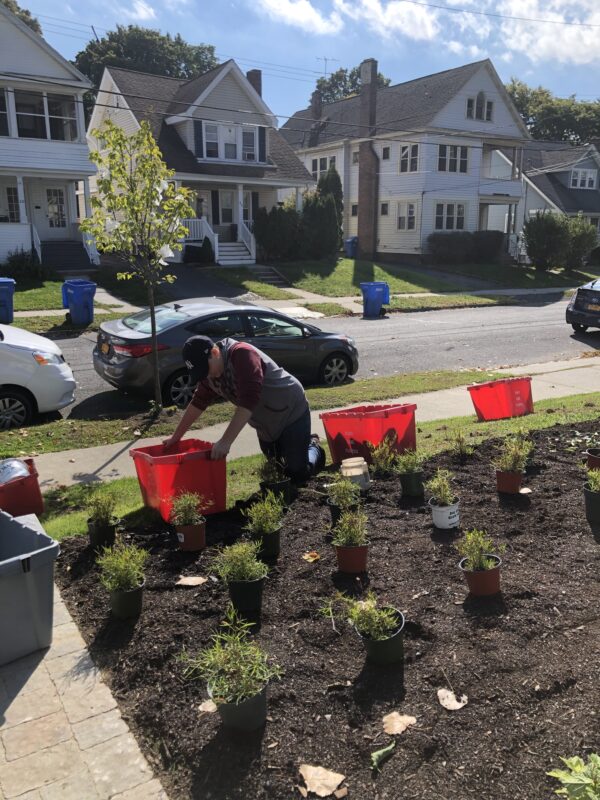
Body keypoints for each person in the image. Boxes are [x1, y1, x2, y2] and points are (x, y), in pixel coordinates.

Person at [163, 335, 326, 483]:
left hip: (291, 409)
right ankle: (299, 451)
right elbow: (198, 402)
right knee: (280, 472)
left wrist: (225, 441)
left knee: (298, 473)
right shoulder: (209, 375)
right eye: (200, 373)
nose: (206, 376)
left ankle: (313, 447)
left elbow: (248, 400)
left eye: (205, 369)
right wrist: (176, 438)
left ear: (214, 352)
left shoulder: (242, 355)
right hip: (266, 423)